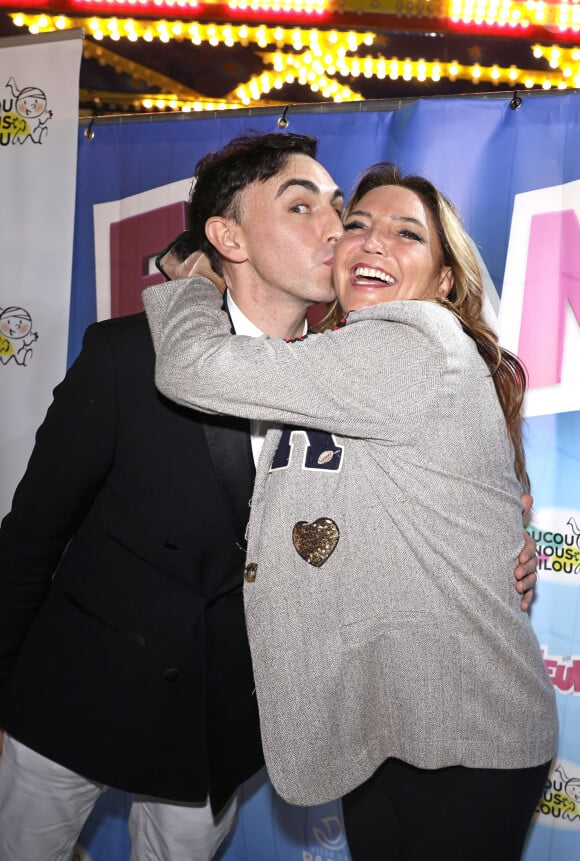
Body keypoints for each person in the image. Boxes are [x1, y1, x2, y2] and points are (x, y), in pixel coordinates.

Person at [0, 132, 537, 861]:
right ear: (228, 236)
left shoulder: (364, 366)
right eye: (304, 206)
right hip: (74, 704)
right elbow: (32, 534)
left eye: (337, 209)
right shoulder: (128, 355)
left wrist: (500, 550)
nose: (337, 231)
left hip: (218, 733)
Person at [143, 156, 558, 860]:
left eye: (407, 234)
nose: (370, 241)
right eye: (358, 225)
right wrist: (509, 533)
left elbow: (193, 368)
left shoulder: (414, 344)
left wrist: (193, 289)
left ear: (445, 279)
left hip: (465, 735)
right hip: (387, 719)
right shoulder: (341, 358)